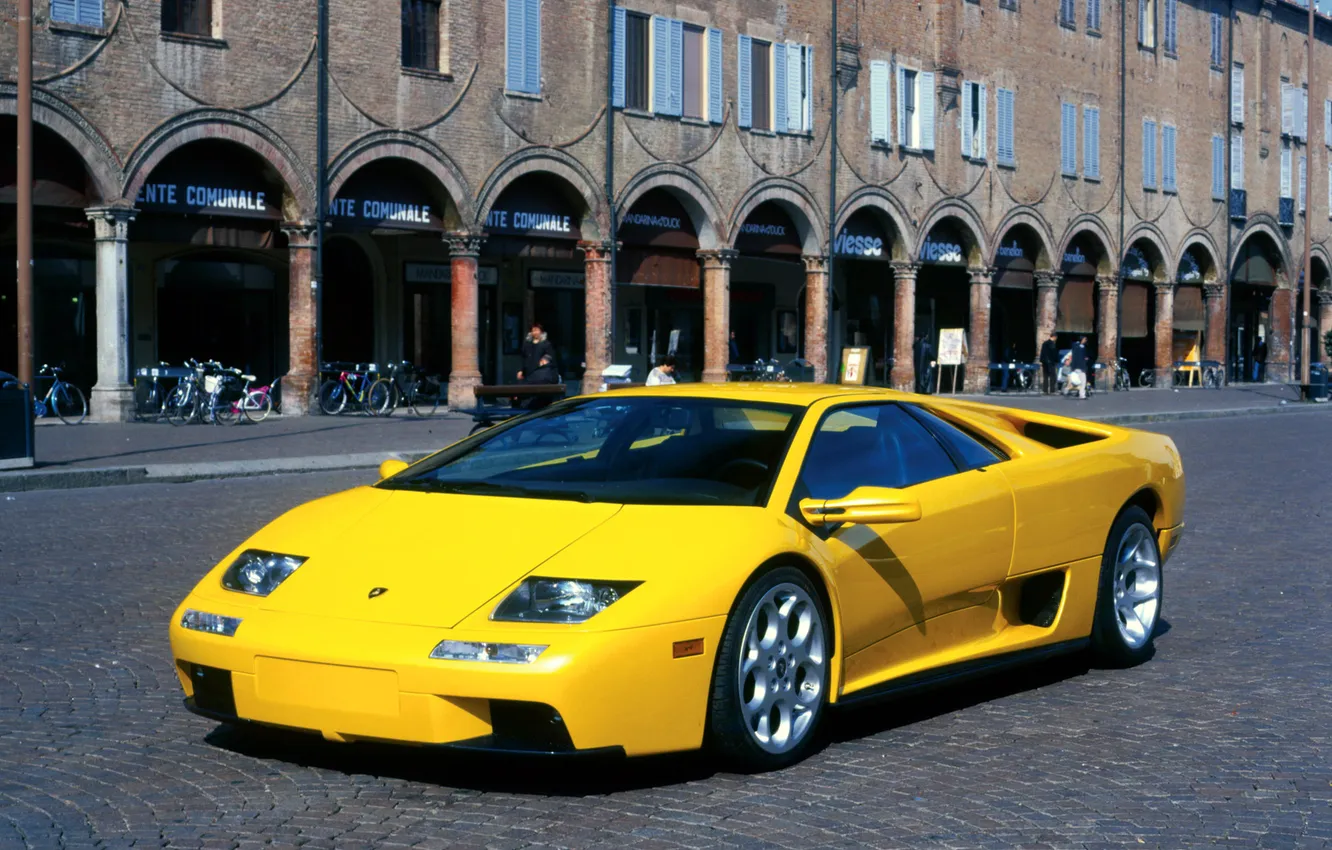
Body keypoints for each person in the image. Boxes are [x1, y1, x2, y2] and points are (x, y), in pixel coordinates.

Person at [1068, 335, 1089, 399]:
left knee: (1080, 381)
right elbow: (1078, 357)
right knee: (1082, 381)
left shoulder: (1080, 347)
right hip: (1079, 367)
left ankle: (1081, 394)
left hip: (1078, 366)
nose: (1085, 341)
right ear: (1081, 339)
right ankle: (1082, 394)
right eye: (1085, 339)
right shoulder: (1078, 346)